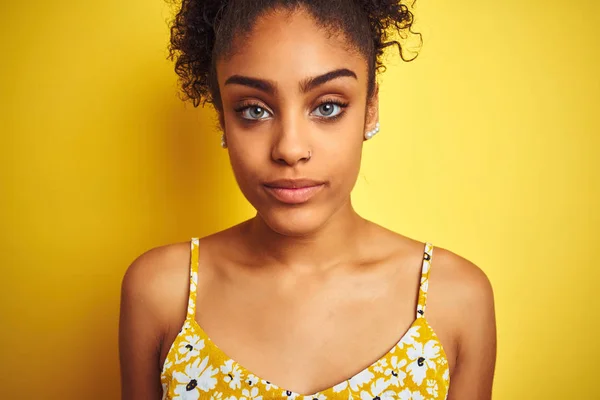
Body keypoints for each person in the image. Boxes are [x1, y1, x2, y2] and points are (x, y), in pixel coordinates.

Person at [119, 1, 497, 399]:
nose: (290, 148)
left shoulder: (454, 299)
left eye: (327, 106)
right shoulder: (162, 292)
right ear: (223, 118)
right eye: (253, 110)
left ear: (370, 109)